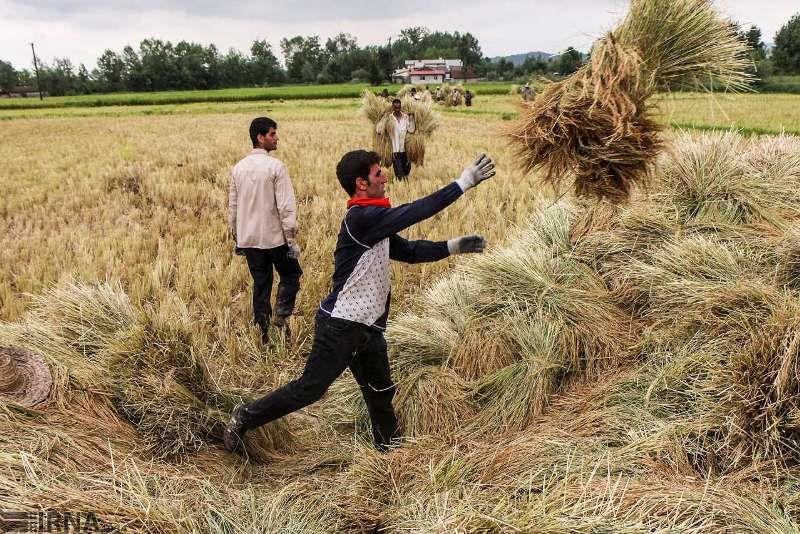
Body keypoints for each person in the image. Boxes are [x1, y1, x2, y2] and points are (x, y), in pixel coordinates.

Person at [224, 150, 497, 454]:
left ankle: (389, 452)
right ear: (361, 183)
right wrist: (461, 183)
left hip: (368, 327)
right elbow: (413, 212)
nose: (386, 177)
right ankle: (244, 417)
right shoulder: (363, 218)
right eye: (379, 174)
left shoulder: (374, 221)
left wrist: (452, 246)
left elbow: (408, 251)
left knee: (380, 392)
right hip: (340, 326)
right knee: (310, 389)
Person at [229, 117, 302, 344]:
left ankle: (263, 332)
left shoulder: (238, 168)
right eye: (272, 134)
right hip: (274, 238)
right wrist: (290, 238)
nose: (276, 137)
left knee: (261, 283)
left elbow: (233, 206)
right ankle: (280, 316)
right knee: (291, 275)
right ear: (260, 138)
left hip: (249, 239)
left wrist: (236, 235)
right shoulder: (276, 167)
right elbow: (286, 207)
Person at [377, 98, 416, 180]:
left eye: (398, 106)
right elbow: (379, 130)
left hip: (405, 150)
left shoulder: (406, 117)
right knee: (399, 173)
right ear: (393, 107)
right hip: (395, 151)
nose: (397, 108)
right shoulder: (389, 118)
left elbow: (411, 130)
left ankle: (405, 187)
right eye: (395, 107)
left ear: (400, 106)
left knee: (407, 170)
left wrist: (412, 118)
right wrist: (383, 118)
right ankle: (401, 187)